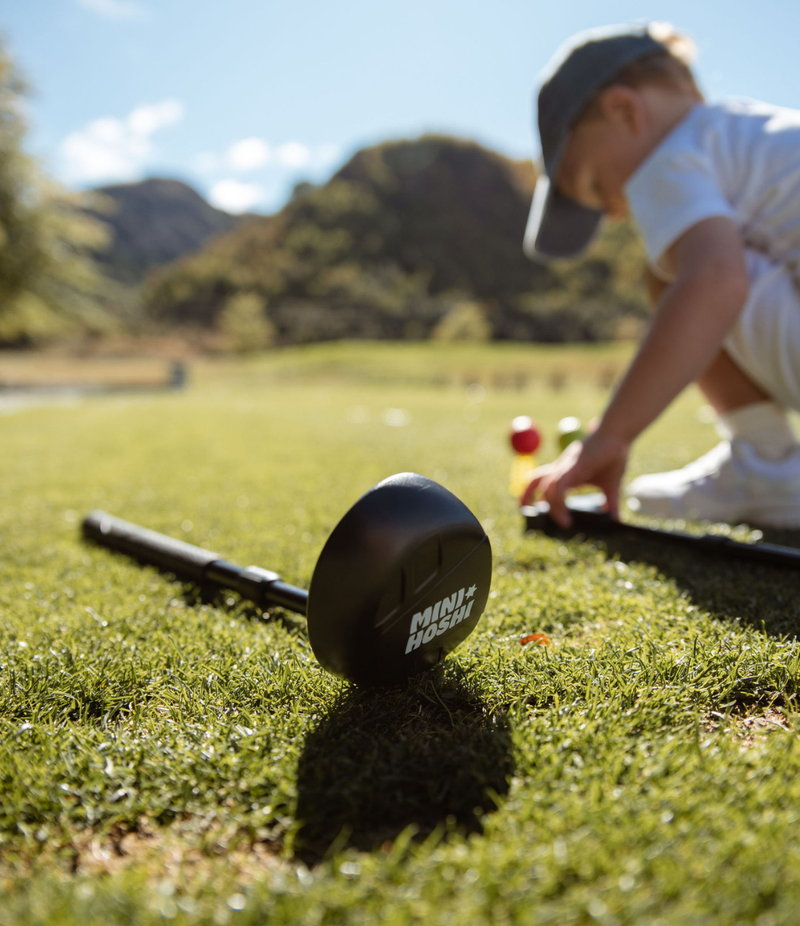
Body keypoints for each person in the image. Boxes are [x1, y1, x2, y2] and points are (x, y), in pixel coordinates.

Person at [520, 22, 800, 529]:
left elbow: (716, 281)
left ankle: (768, 466)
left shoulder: (670, 156)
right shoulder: (744, 132)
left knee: (674, 273)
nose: (619, 213)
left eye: (600, 186)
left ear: (625, 111)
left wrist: (610, 435)